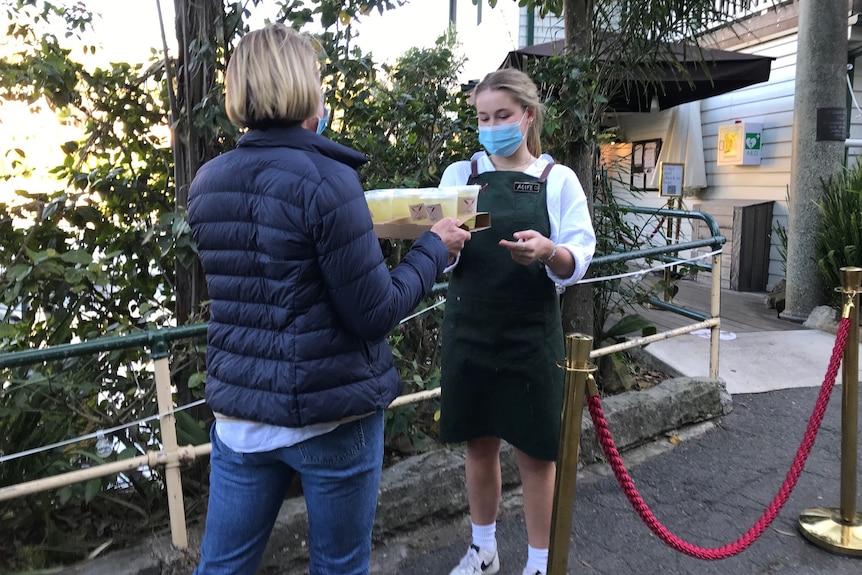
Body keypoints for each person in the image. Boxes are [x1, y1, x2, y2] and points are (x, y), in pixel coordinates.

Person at [186, 23, 471, 575]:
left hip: (241, 416)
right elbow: (375, 313)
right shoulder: (328, 179)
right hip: (332, 414)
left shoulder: (207, 181)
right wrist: (433, 248)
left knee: (221, 567)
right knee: (339, 567)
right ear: (303, 87)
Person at [437, 68, 596, 575]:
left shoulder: (557, 180)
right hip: (471, 330)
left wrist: (551, 253)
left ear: (527, 116)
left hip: (530, 336)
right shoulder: (460, 177)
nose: (491, 126)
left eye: (502, 115)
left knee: (535, 454)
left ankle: (539, 563)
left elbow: (578, 256)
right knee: (478, 444)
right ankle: (483, 550)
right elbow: (441, 253)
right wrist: (442, 246)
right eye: (483, 117)